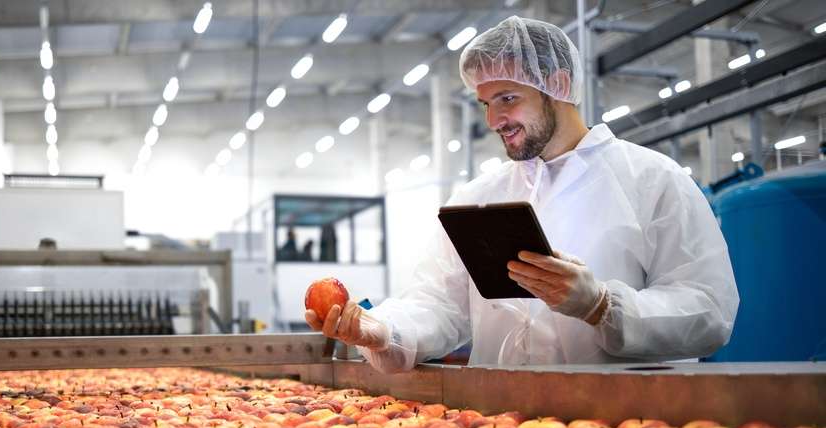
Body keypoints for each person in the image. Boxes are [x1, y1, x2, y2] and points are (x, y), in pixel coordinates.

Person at [305, 16, 739, 371]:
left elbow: (709, 311)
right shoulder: (477, 199)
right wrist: (382, 330)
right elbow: (438, 303)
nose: (494, 119)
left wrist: (603, 306)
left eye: (508, 98)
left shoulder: (653, 181)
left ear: (560, 84)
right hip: (505, 424)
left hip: (627, 426)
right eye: (486, 103)